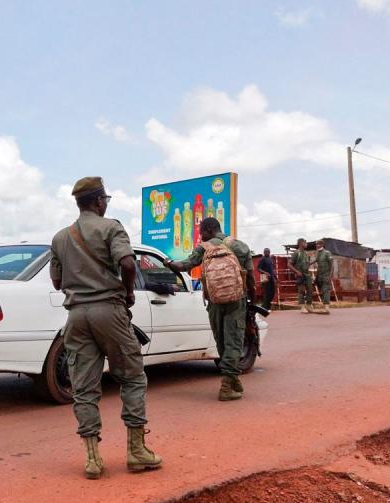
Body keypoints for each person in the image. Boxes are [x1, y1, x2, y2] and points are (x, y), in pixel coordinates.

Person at [49, 176, 162, 480]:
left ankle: (92, 459)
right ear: (99, 201)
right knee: (133, 377)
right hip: (109, 311)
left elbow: (57, 282)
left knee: (84, 386)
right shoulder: (111, 227)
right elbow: (127, 264)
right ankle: (137, 451)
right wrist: (126, 292)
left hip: (76, 316)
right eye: (105, 200)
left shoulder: (60, 237)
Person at [168, 217, 254, 401]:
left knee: (221, 341)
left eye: (201, 232)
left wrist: (168, 263)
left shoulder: (204, 248)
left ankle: (230, 380)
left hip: (214, 301)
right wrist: (251, 302)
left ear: (208, 230)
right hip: (236, 300)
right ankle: (228, 385)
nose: (201, 236)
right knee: (234, 341)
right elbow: (250, 278)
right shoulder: (240, 246)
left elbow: (183, 265)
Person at [288, 238, 315, 314]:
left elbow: (307, 263)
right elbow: (289, 264)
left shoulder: (306, 253)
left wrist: (315, 261)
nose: (306, 244)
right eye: (305, 242)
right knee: (301, 291)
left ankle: (309, 305)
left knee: (310, 290)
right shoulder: (296, 253)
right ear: (301, 243)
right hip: (300, 275)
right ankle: (302, 307)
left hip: (307, 274)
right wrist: (296, 272)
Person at [314, 240, 333, 314]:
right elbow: (316, 261)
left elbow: (332, 265)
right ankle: (324, 307)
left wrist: (330, 276)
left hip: (326, 275)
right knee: (321, 291)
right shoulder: (318, 253)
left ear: (322, 244)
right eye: (316, 244)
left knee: (326, 291)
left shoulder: (327, 253)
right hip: (319, 275)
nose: (317, 245)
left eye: (318, 244)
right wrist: (308, 264)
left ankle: (326, 308)